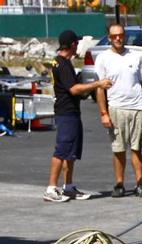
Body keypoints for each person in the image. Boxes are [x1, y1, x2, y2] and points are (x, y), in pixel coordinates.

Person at [43, 30, 112, 202]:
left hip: (71, 111)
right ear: (72, 44)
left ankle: (68, 187)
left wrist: (83, 88)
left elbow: (73, 89)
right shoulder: (62, 64)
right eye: (77, 43)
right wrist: (97, 84)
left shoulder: (62, 62)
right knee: (62, 150)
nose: (78, 46)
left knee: (71, 152)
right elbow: (73, 89)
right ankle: (51, 188)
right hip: (66, 113)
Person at [94, 22, 142, 198]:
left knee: (137, 148)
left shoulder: (136, 57)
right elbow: (100, 89)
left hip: (138, 108)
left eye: (120, 35)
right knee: (118, 149)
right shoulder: (103, 58)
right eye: (114, 36)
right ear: (109, 38)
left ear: (124, 35)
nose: (118, 38)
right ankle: (119, 184)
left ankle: (140, 184)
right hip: (116, 108)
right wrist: (103, 113)